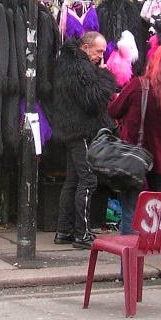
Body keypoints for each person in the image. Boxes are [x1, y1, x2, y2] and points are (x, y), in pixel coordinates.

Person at [108, 44, 161, 279]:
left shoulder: (138, 86)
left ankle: (129, 273)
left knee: (129, 215)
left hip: (134, 162)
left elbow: (114, 110)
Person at [51, 31, 117, 248]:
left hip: (70, 129)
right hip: (81, 130)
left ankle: (64, 231)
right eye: (98, 51)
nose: (101, 55)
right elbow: (94, 98)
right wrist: (106, 76)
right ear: (86, 47)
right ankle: (82, 233)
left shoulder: (68, 63)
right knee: (88, 180)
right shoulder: (80, 67)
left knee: (72, 180)